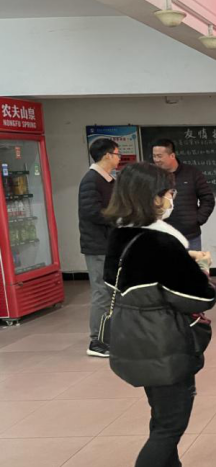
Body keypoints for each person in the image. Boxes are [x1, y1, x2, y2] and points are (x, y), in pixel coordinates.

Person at [103, 162, 216, 467]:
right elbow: (199, 297)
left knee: (161, 417)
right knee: (170, 425)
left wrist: (183, 265)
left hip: (132, 337)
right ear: (150, 198)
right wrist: (202, 272)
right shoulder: (162, 242)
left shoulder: (120, 235)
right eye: (168, 193)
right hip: (164, 342)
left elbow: (120, 283)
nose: (172, 198)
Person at [78, 138, 120, 358]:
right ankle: (97, 341)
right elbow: (92, 212)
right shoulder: (91, 180)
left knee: (112, 292)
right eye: (117, 154)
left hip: (110, 244)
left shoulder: (108, 180)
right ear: (107, 155)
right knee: (102, 293)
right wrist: (119, 218)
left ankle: (112, 336)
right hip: (98, 246)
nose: (119, 158)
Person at [151, 139, 216, 251]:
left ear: (172, 155)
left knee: (191, 262)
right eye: (154, 156)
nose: (156, 160)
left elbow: (207, 198)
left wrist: (198, 220)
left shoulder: (192, 173)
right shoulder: (151, 176)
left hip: (190, 236)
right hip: (160, 234)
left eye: (160, 156)